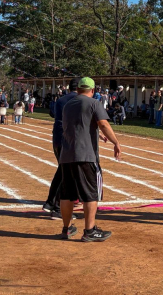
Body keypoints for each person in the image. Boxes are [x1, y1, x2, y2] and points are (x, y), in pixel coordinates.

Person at [59, 77, 122, 242]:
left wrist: (96, 133)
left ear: (78, 89)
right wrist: (116, 142)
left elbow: (76, 126)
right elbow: (103, 124)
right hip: (85, 155)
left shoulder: (68, 105)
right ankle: (89, 231)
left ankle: (66, 228)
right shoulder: (94, 103)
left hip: (66, 155)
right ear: (92, 90)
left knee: (67, 194)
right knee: (90, 194)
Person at [43, 78, 80, 218]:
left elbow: (52, 114)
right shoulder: (79, 100)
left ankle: (51, 203)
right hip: (70, 140)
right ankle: (58, 207)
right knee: (67, 174)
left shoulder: (60, 100)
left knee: (62, 171)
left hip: (58, 139)